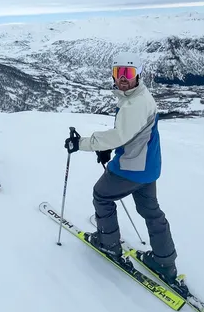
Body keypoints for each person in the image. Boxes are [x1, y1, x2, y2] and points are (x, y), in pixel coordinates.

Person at [63, 52, 180, 283]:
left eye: (128, 72)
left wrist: (82, 144)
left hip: (132, 166)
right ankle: (164, 262)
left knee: (101, 196)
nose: (123, 78)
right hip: (148, 165)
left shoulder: (133, 104)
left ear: (138, 74)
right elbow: (131, 133)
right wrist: (110, 147)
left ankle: (108, 244)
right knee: (151, 212)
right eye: (118, 72)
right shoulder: (140, 96)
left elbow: (119, 135)